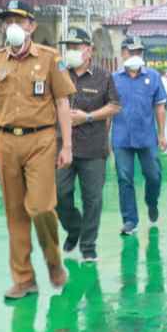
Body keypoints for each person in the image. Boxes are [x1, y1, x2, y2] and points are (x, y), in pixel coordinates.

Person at [0, 0, 75, 300]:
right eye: (7, 20)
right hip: (6, 142)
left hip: (40, 140)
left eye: (19, 20)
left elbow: (63, 102)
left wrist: (66, 145)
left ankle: (53, 262)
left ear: (31, 26)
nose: (12, 26)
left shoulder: (51, 59)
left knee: (40, 207)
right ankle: (24, 279)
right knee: (15, 214)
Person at [54, 27, 119, 264]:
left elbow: (114, 106)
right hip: (61, 146)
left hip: (93, 148)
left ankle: (88, 245)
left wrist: (88, 116)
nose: (70, 51)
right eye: (68, 47)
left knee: (93, 199)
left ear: (89, 50)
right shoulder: (59, 72)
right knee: (58, 195)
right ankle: (74, 227)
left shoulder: (103, 76)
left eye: (76, 47)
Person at [112, 36, 167, 236]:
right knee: (124, 178)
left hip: (147, 138)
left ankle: (151, 201)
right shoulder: (114, 79)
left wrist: (161, 135)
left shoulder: (152, 77)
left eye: (139, 52)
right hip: (121, 138)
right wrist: (104, 138)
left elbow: (159, 107)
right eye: (132, 51)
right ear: (123, 53)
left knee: (154, 175)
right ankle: (129, 220)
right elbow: (110, 109)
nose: (136, 55)